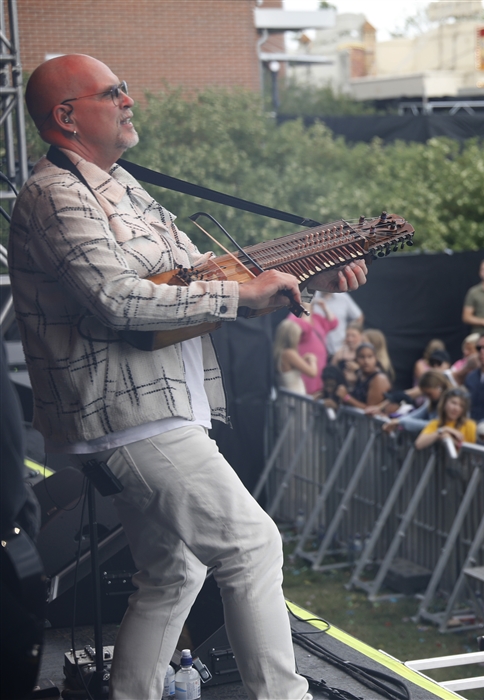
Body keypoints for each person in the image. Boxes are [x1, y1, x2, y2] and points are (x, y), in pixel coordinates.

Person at [8, 54, 372, 700]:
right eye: (114, 92)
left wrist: (301, 279)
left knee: (172, 573)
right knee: (252, 545)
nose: (130, 100)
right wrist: (247, 297)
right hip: (126, 417)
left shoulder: (119, 186)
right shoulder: (53, 195)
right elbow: (117, 299)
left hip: (160, 409)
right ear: (66, 116)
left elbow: (200, 273)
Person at [385, 370, 451, 434]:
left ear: (439, 388)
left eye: (429, 394)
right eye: (425, 394)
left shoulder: (450, 403)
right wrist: (398, 421)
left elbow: (434, 425)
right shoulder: (432, 402)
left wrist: (401, 422)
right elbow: (416, 415)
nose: (428, 397)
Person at [339, 343, 390, 409]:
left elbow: (370, 410)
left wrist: (346, 397)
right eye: (362, 357)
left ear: (376, 358)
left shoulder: (379, 379)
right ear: (356, 359)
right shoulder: (360, 374)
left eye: (370, 357)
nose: (366, 361)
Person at [273, 319, 317, 395]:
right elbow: (312, 373)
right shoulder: (289, 353)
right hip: (295, 398)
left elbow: (289, 370)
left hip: (287, 397)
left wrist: (302, 359)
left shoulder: (279, 353)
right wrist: (313, 360)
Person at [314, 290, 364, 356]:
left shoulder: (343, 297)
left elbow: (358, 317)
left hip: (340, 346)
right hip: (319, 348)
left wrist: (351, 336)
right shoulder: (312, 297)